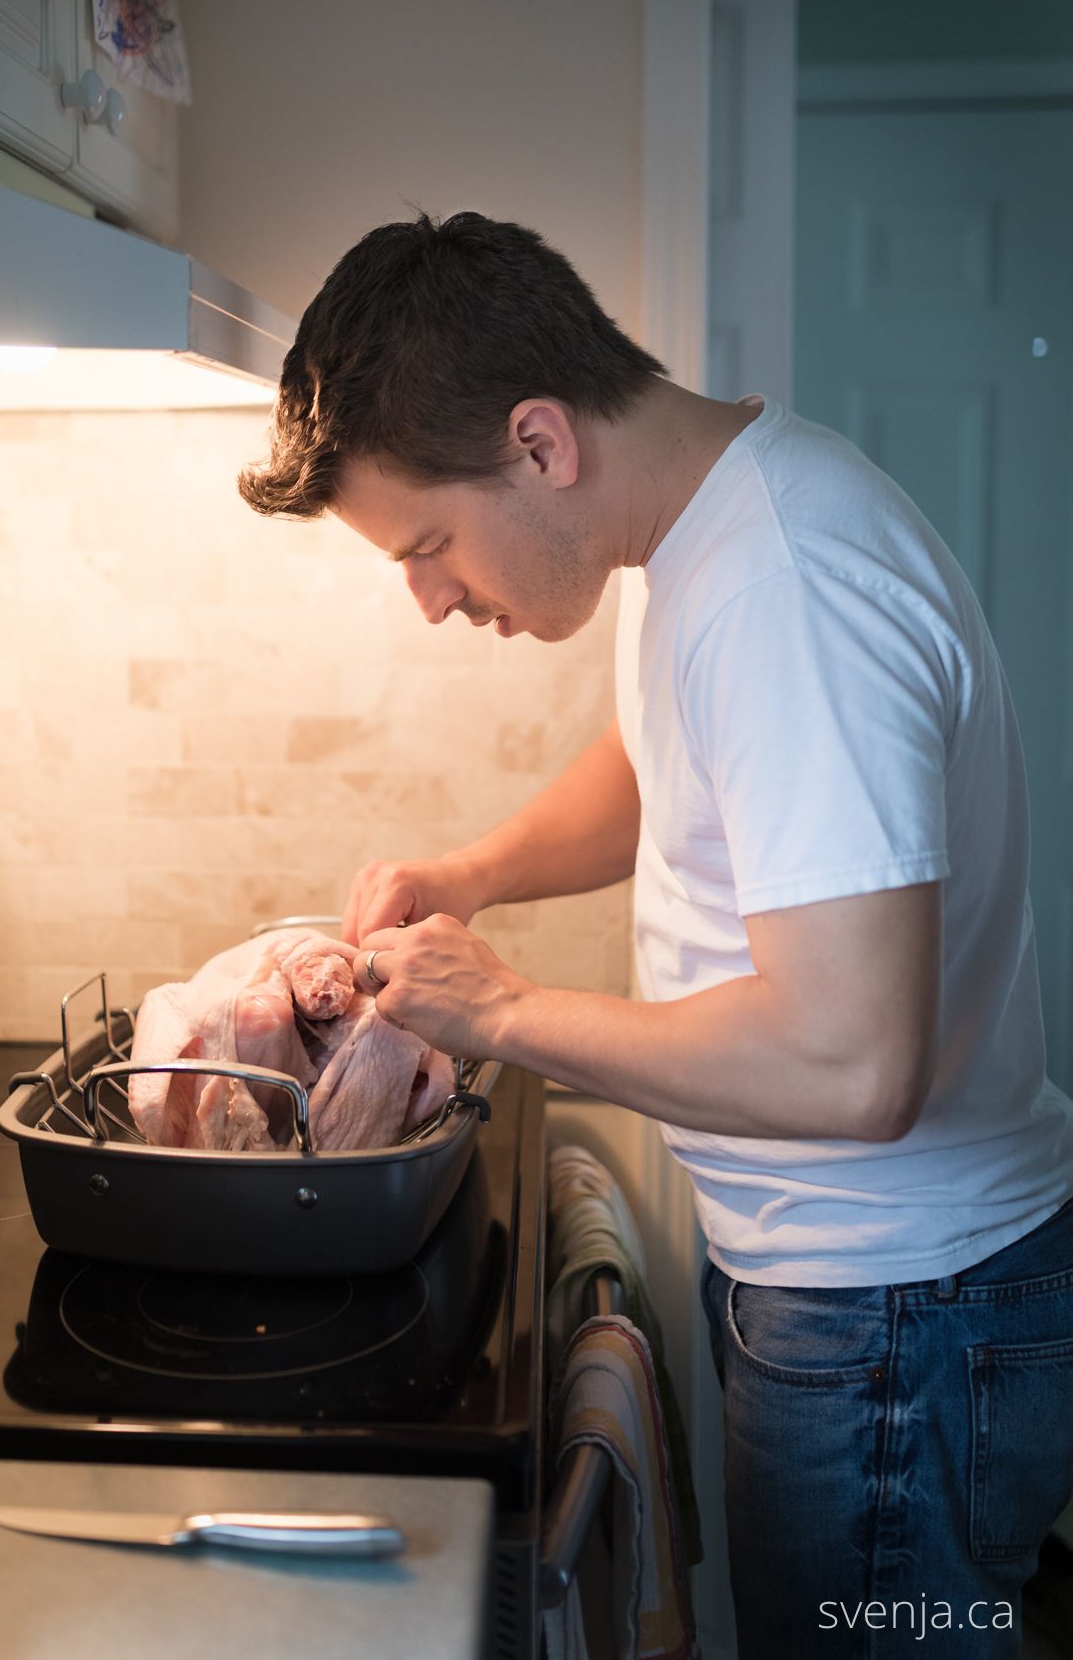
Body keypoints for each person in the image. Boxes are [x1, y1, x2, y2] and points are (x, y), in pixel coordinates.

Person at [237, 209, 1073, 1655]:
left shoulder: (785, 592)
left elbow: (850, 1064)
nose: (430, 600)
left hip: (892, 1323)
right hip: (870, 1299)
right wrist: (473, 870)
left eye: (426, 546)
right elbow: (663, 763)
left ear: (539, 442)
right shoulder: (703, 524)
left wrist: (495, 1009)